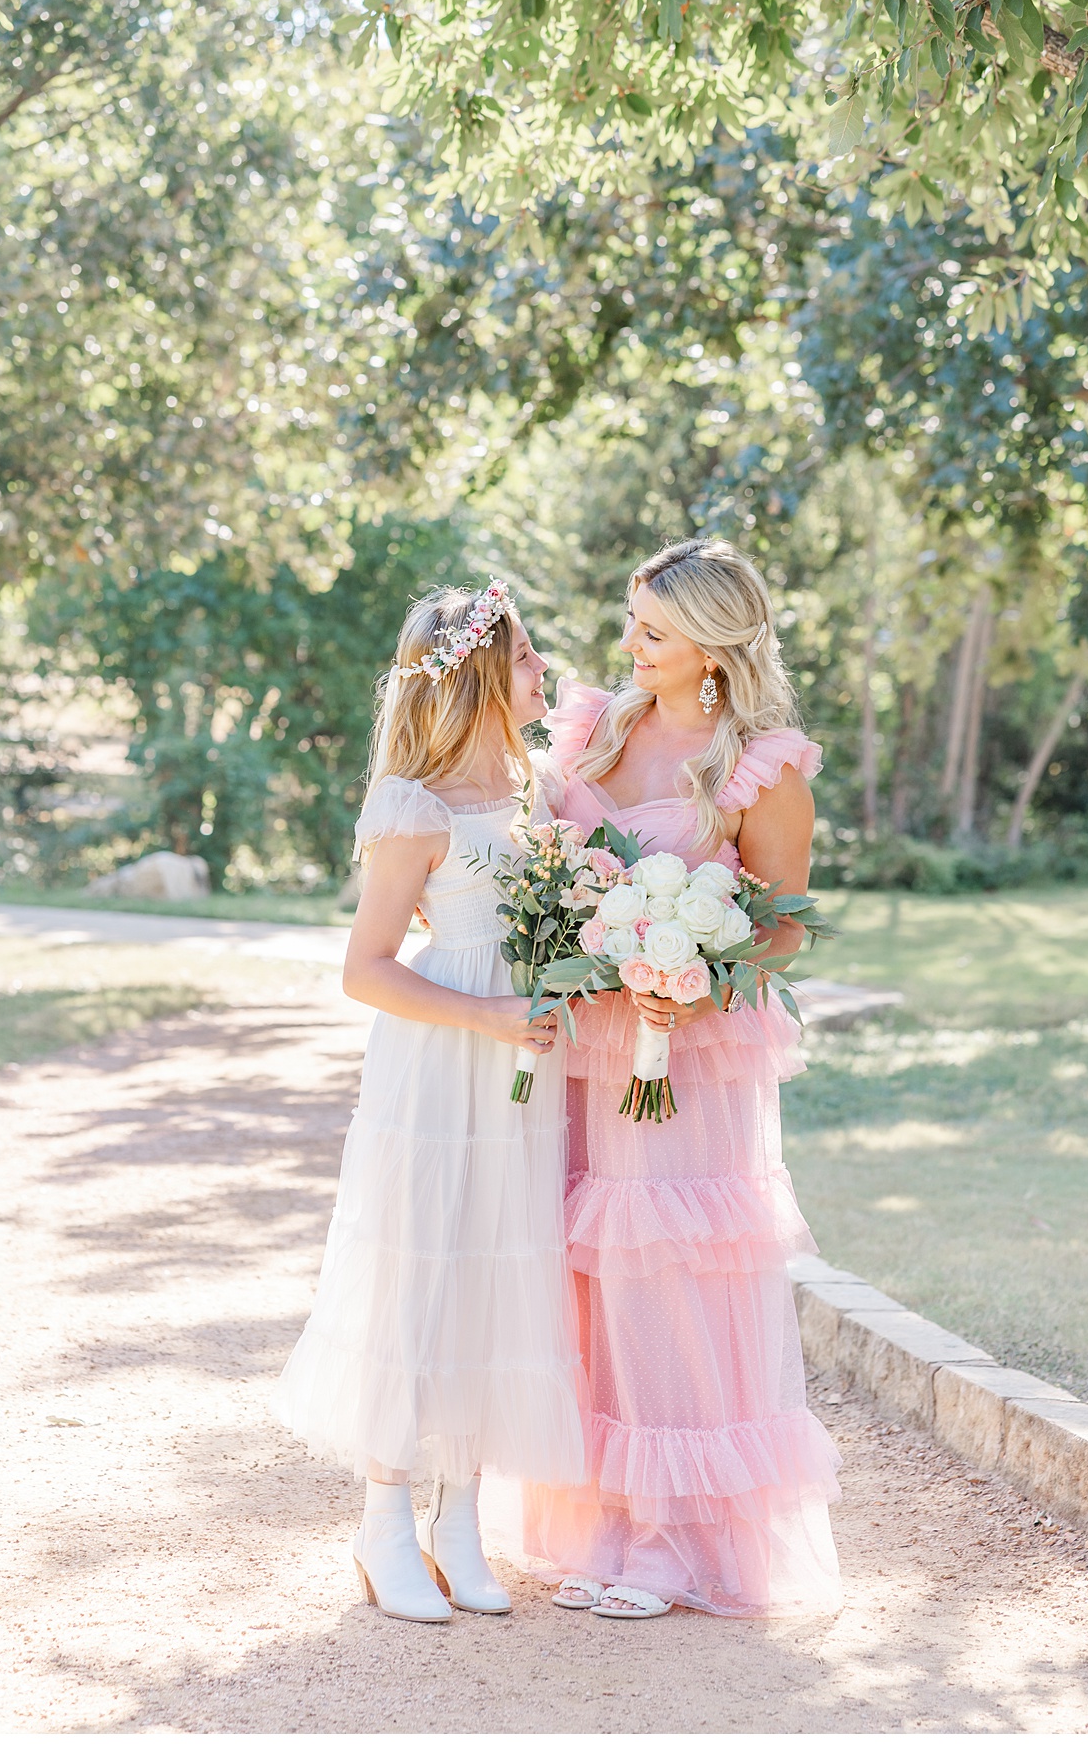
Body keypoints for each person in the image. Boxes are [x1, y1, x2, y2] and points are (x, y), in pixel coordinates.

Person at [525, 537, 843, 1620]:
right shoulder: (597, 726)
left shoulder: (762, 767)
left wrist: (697, 979)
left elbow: (788, 928)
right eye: (632, 621)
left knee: (667, 1280)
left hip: (689, 1060)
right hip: (589, 1047)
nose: (630, 644)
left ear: (712, 646)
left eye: (652, 630)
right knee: (592, 1281)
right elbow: (550, 867)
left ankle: (674, 1538)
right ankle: (605, 1517)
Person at [275, 581, 586, 1624]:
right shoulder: (413, 803)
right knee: (420, 1275)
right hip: (441, 1060)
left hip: (519, 1071)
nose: (547, 671)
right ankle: (383, 1519)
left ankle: (463, 1518)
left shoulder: (539, 789)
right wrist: (489, 1013)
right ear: (481, 674)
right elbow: (365, 968)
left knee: (500, 1270)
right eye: (532, 656)